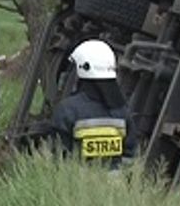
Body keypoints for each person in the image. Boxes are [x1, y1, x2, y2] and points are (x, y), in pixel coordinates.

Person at [49, 39, 133, 167]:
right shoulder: (122, 111)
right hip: (114, 185)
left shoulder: (68, 110)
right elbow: (130, 155)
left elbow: (57, 157)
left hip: (74, 184)